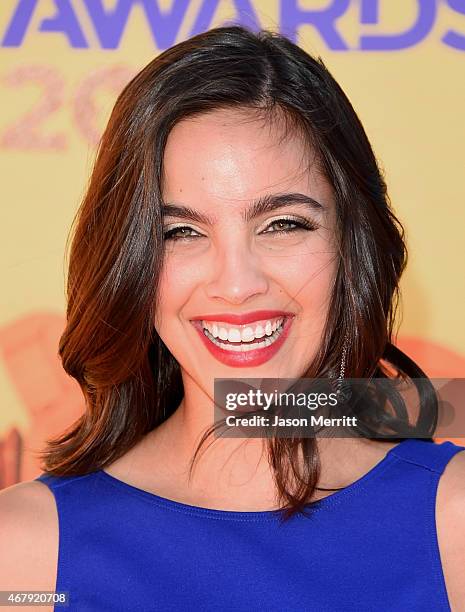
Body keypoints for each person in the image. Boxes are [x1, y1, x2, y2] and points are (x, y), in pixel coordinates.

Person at [1, 25, 464, 612]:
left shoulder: (452, 522)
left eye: (284, 223)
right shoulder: (27, 555)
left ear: (354, 244)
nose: (238, 284)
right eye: (182, 232)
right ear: (131, 261)